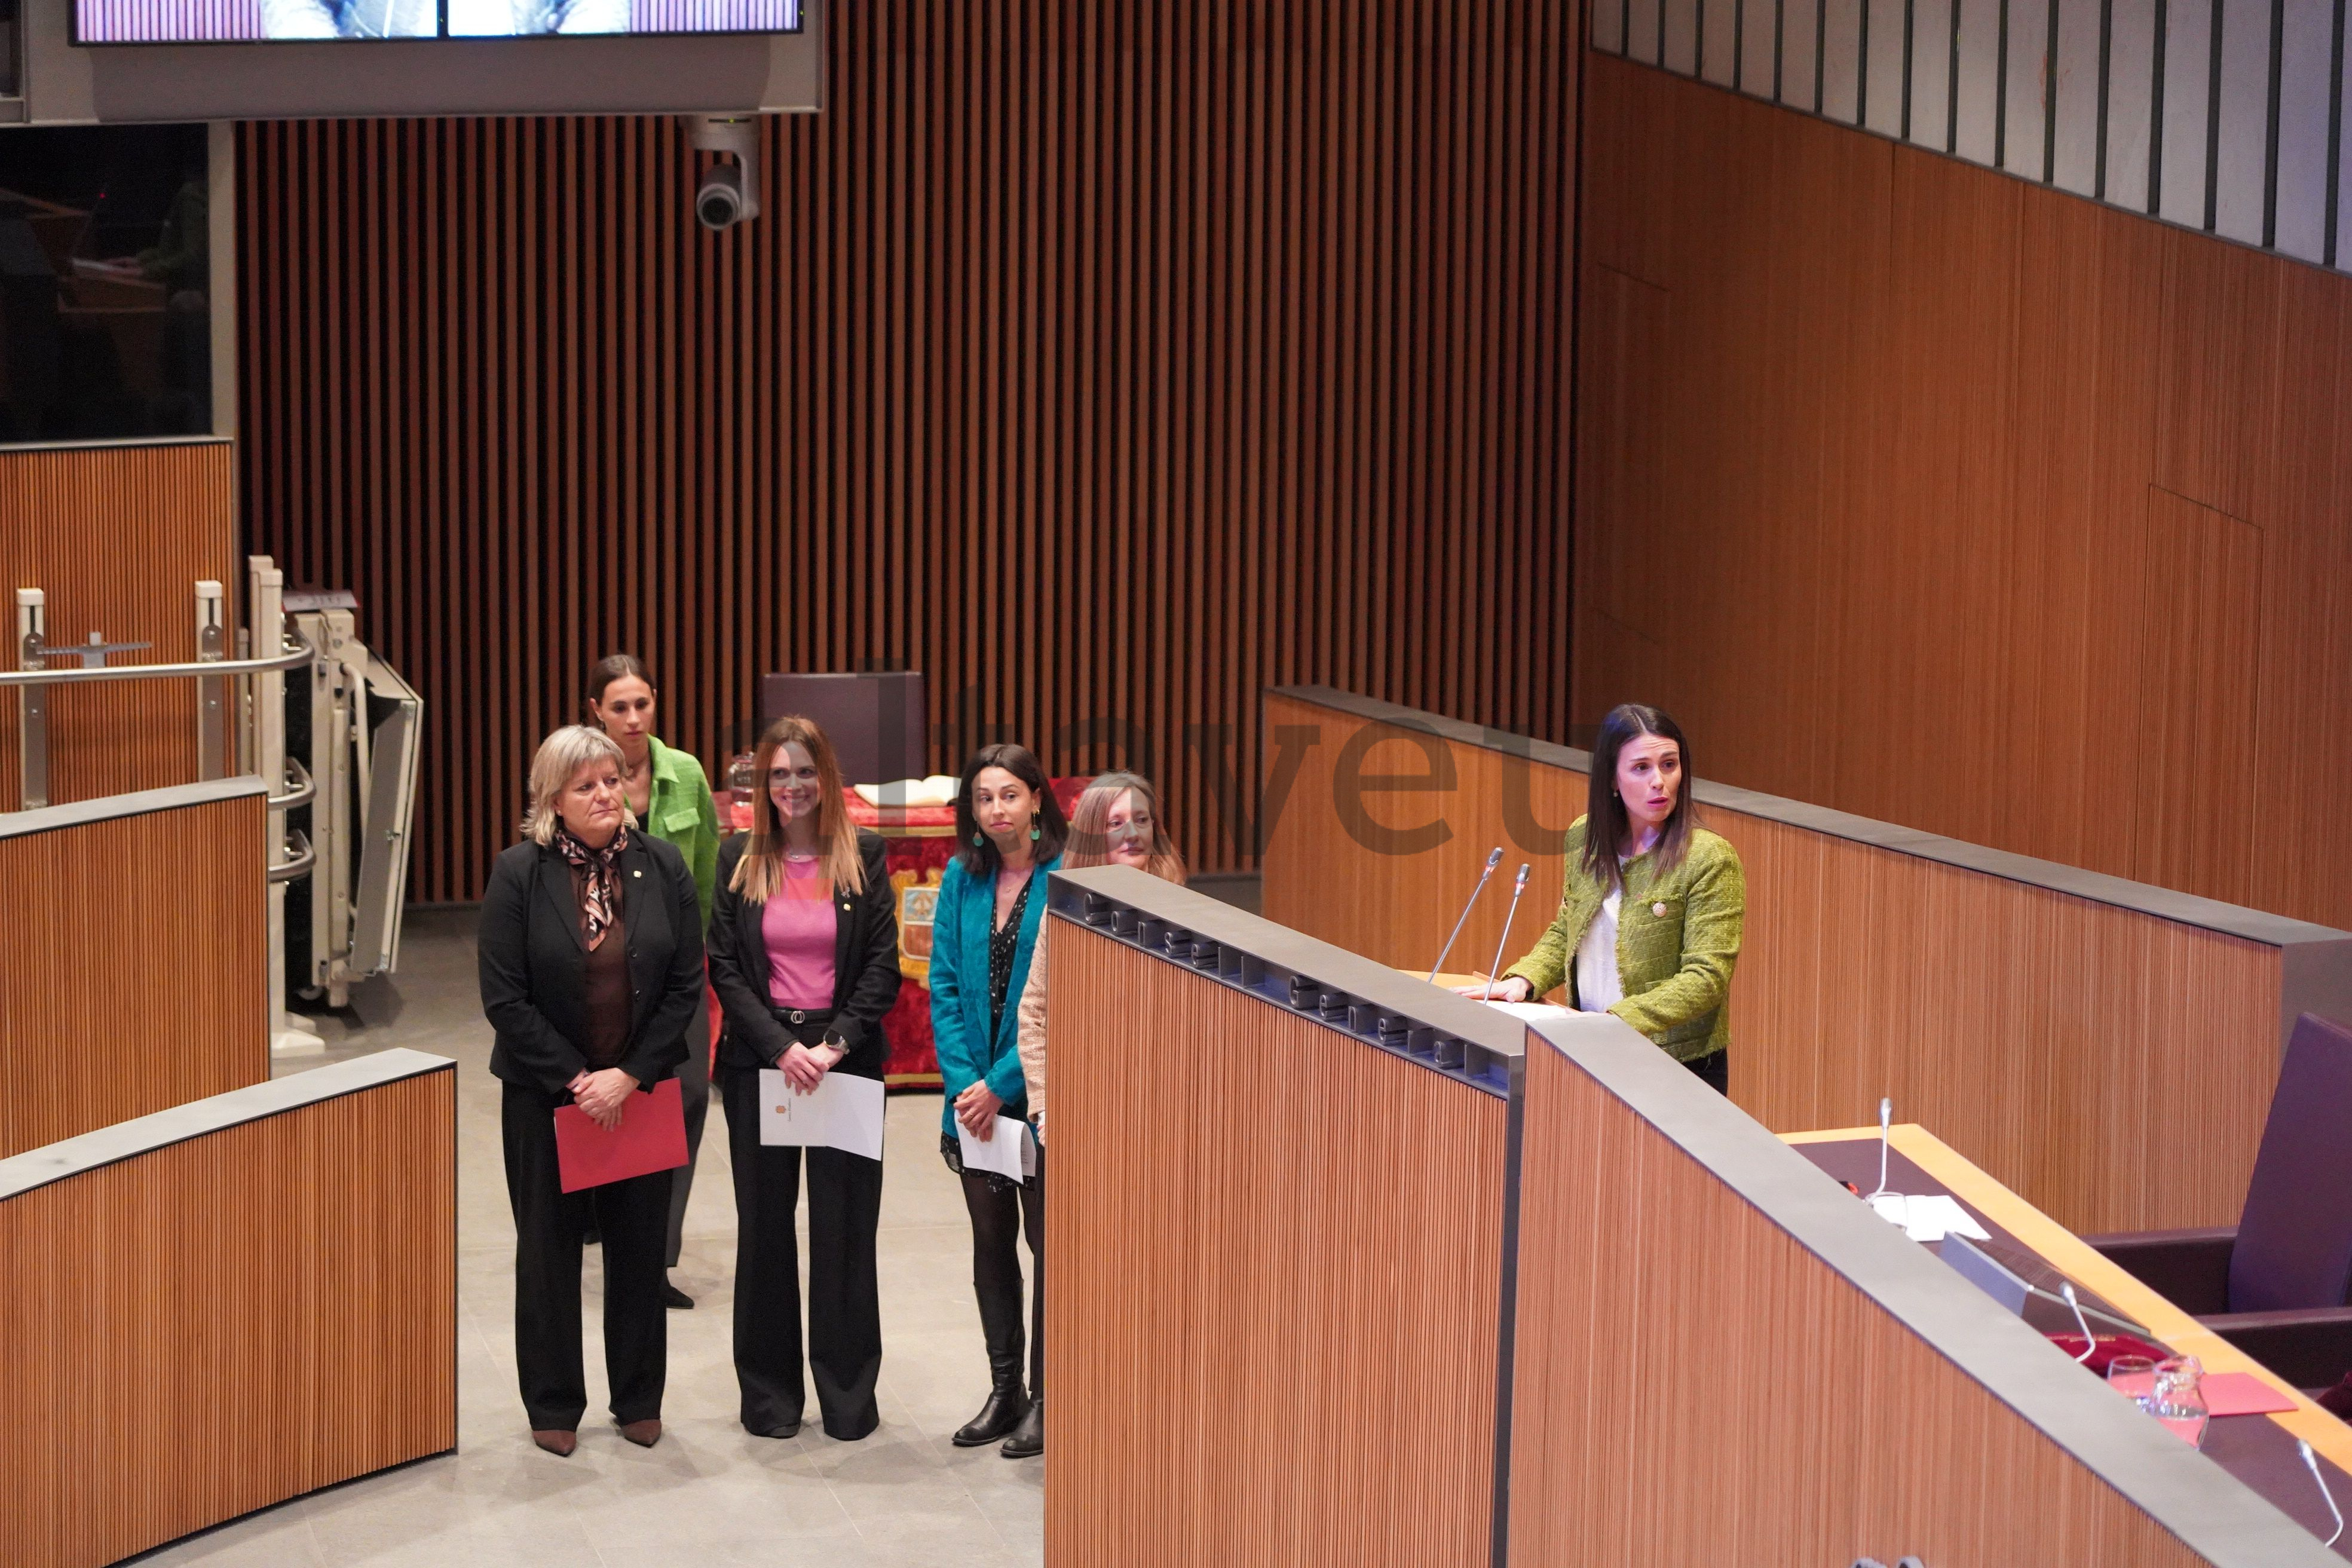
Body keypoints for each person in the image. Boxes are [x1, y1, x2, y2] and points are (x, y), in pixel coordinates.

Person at [478, 725, 705, 1456]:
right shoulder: (520, 872)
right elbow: (505, 996)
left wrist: (628, 1075)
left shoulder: (662, 864)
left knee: (638, 1251)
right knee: (548, 1253)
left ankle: (638, 1397)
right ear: (554, 799)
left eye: (612, 779)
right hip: (547, 1096)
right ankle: (553, 1403)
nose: (606, 794)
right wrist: (578, 1080)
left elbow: (684, 983)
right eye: (586, 785)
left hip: (639, 1089)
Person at [706, 715, 902, 1441]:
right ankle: (769, 1398)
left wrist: (834, 1043)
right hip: (763, 1064)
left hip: (844, 1061)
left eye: (804, 771)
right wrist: (782, 1047)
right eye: (778, 774)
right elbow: (723, 964)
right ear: (763, 784)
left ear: (826, 777)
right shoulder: (739, 854)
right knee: (764, 1230)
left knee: (845, 1230)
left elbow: (882, 963)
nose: (792, 785)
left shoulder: (864, 853)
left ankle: (848, 1398)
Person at [1457, 703, 1745, 1093]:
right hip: (1592, 1050)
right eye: (1641, 768)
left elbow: (1706, 978)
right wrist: (1526, 978)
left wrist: (1617, 1021)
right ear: (1612, 777)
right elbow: (1568, 929)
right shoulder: (1585, 838)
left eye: (1669, 764)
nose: (1659, 781)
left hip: (1675, 1063)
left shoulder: (1709, 858)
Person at [932, 742, 1066, 1458]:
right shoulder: (963, 874)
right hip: (972, 1103)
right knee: (991, 1243)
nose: (997, 809)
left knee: (1047, 1247)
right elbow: (944, 983)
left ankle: (1047, 1398)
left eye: (1009, 794)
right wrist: (966, 1085)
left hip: (1036, 1095)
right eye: (984, 798)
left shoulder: (1067, 877)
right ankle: (1005, 1387)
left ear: (1036, 798)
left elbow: (1060, 1001)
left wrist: (1001, 1084)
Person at [586, 654, 721, 1311]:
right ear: (597, 712)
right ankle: (599, 1219)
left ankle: (656, 1255)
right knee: (603, 1098)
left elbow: (708, 874)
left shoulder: (687, 774)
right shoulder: (583, 771)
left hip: (676, 970)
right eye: (620, 707)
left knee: (685, 1098)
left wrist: (709, 961)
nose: (634, 718)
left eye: (643, 703)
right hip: (602, 972)